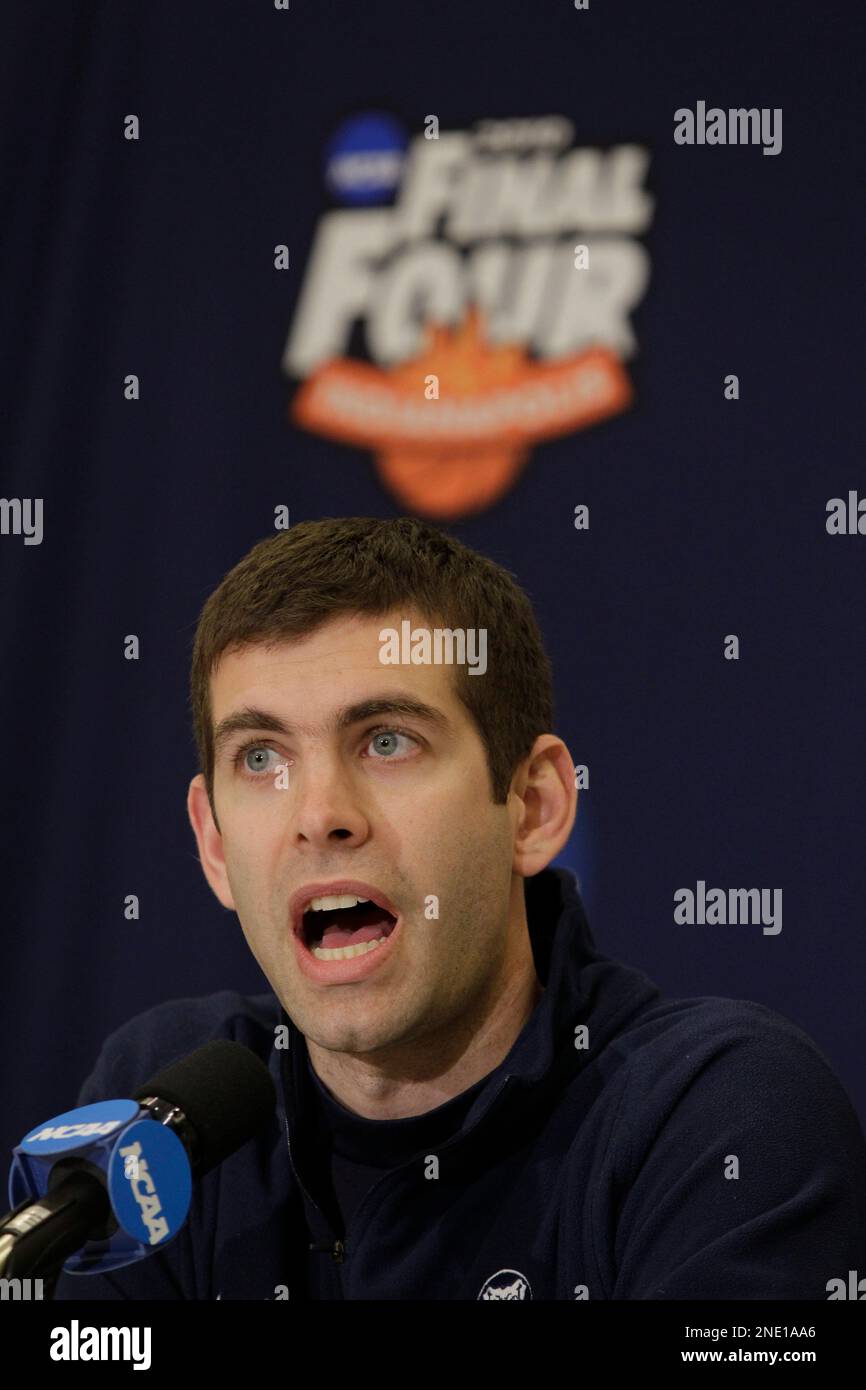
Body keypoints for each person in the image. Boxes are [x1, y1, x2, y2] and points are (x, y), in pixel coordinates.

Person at [53, 516, 866, 1300]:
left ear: (534, 805)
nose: (319, 814)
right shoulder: (162, 1118)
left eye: (386, 740)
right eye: (261, 757)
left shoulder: (717, 1116)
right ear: (216, 845)